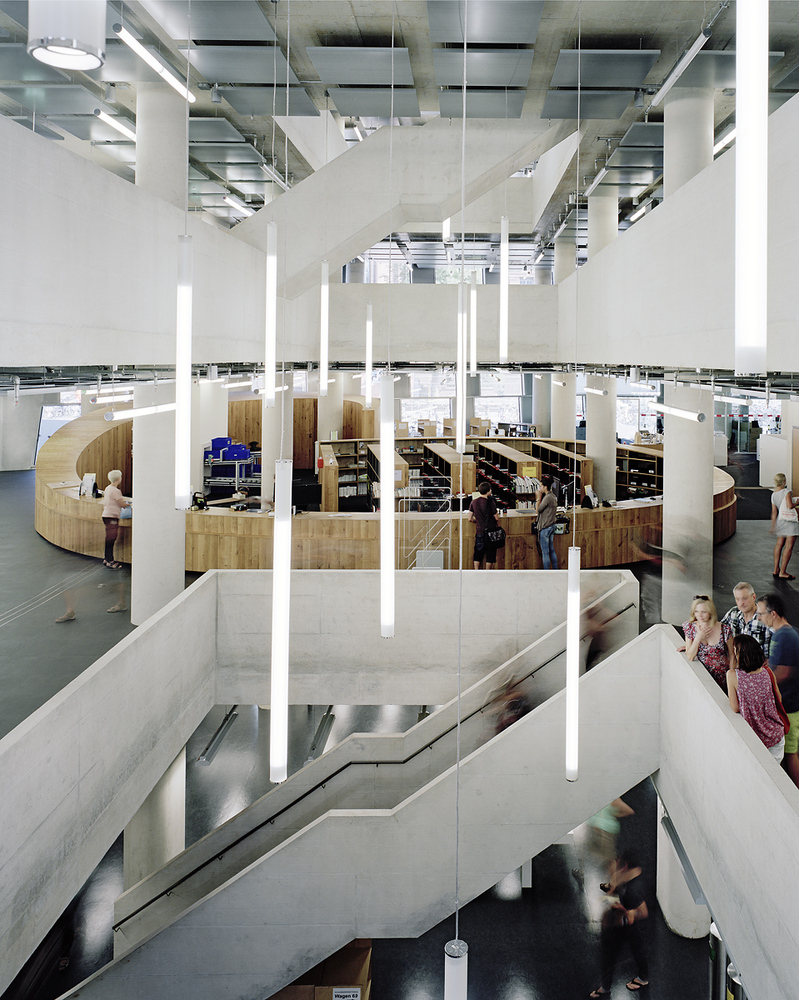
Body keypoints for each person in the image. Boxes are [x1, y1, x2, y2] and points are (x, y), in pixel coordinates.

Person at [590, 850, 650, 996]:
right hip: (630, 925)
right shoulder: (636, 876)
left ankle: (605, 988)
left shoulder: (632, 890)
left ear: (625, 867)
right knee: (637, 949)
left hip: (625, 924)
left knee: (608, 955)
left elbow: (641, 913)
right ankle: (643, 978)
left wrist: (623, 909)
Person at [757, 593, 799, 789]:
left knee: (790, 752)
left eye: (761, 614)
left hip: (789, 706)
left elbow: (782, 673)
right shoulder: (783, 635)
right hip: (786, 704)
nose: (760, 618)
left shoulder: (785, 636)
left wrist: (758, 683)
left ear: (773, 614)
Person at [726, 634, 786, 762]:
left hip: (755, 740)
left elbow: (735, 707)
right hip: (775, 737)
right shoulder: (767, 672)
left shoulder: (732, 675)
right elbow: (778, 699)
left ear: (738, 655)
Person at [682, 596, 732, 689]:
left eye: (703, 612)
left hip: (722, 678)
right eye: (696, 611)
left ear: (710, 612)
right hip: (701, 678)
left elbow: (732, 656)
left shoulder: (724, 629)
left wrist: (732, 678)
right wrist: (698, 637)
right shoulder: (690, 628)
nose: (699, 615)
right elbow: (690, 656)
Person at [721, 582, 771, 660]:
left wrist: (770, 660)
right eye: (737, 599)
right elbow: (718, 630)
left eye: (744, 598)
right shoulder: (733, 612)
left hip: (757, 666)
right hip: (736, 663)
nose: (741, 603)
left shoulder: (764, 617)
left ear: (753, 597)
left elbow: (776, 645)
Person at [770, 473, 797, 580]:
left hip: (780, 521)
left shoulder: (773, 494)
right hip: (789, 522)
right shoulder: (787, 491)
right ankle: (783, 572)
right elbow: (790, 505)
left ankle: (776, 569)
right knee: (789, 546)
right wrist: (797, 502)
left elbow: (774, 511)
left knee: (779, 544)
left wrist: (773, 526)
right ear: (784, 481)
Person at [467, 482, 499, 570]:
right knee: (490, 553)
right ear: (488, 491)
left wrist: (477, 521)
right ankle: (487, 572)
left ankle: (476, 571)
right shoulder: (491, 502)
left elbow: (469, 518)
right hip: (490, 532)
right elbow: (496, 518)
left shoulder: (474, 502)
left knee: (478, 553)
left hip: (480, 532)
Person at [101, 469, 129, 570]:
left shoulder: (108, 488)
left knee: (109, 539)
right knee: (111, 539)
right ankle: (110, 561)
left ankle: (106, 559)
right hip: (112, 517)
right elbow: (121, 504)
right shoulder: (116, 491)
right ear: (118, 479)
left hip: (106, 515)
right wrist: (128, 504)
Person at [535, 474, 558, 570]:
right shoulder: (553, 496)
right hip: (551, 526)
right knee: (551, 550)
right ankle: (555, 570)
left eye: (541, 486)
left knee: (545, 552)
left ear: (545, 487)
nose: (540, 488)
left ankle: (547, 573)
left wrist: (538, 498)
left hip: (545, 528)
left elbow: (538, 510)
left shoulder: (547, 498)